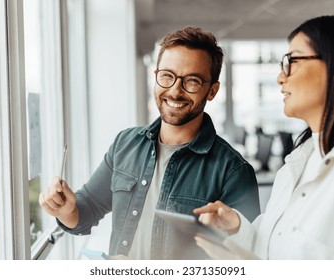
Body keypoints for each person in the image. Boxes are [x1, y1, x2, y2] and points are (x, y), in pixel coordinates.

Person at [39, 26, 260, 260]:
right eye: (167, 76)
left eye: (192, 81)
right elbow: (86, 211)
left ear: (212, 91)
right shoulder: (125, 144)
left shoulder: (233, 171)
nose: (175, 91)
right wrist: (66, 210)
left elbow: (246, 259)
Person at [193, 14, 334, 260]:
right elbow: (272, 248)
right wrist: (236, 228)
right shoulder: (297, 163)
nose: (280, 77)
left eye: (292, 61)